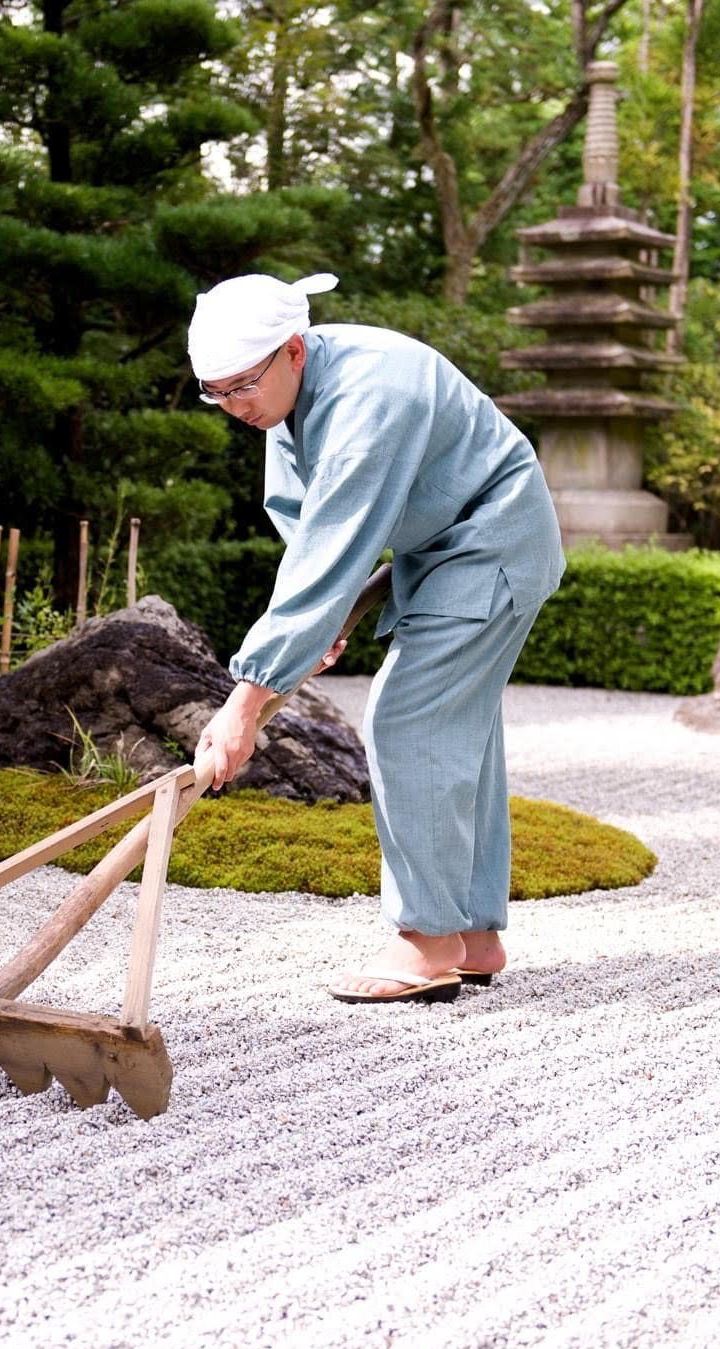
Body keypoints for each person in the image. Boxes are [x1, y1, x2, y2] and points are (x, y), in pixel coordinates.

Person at [188, 272, 565, 1004]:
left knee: (407, 718)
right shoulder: (287, 403)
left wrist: (242, 706)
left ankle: (426, 943)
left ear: (292, 350)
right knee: (460, 731)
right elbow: (310, 534)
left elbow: (335, 544)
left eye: (241, 387)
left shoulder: (370, 396)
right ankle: (473, 939)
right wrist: (322, 620)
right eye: (215, 392)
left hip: (492, 541)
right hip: (441, 552)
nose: (233, 407)